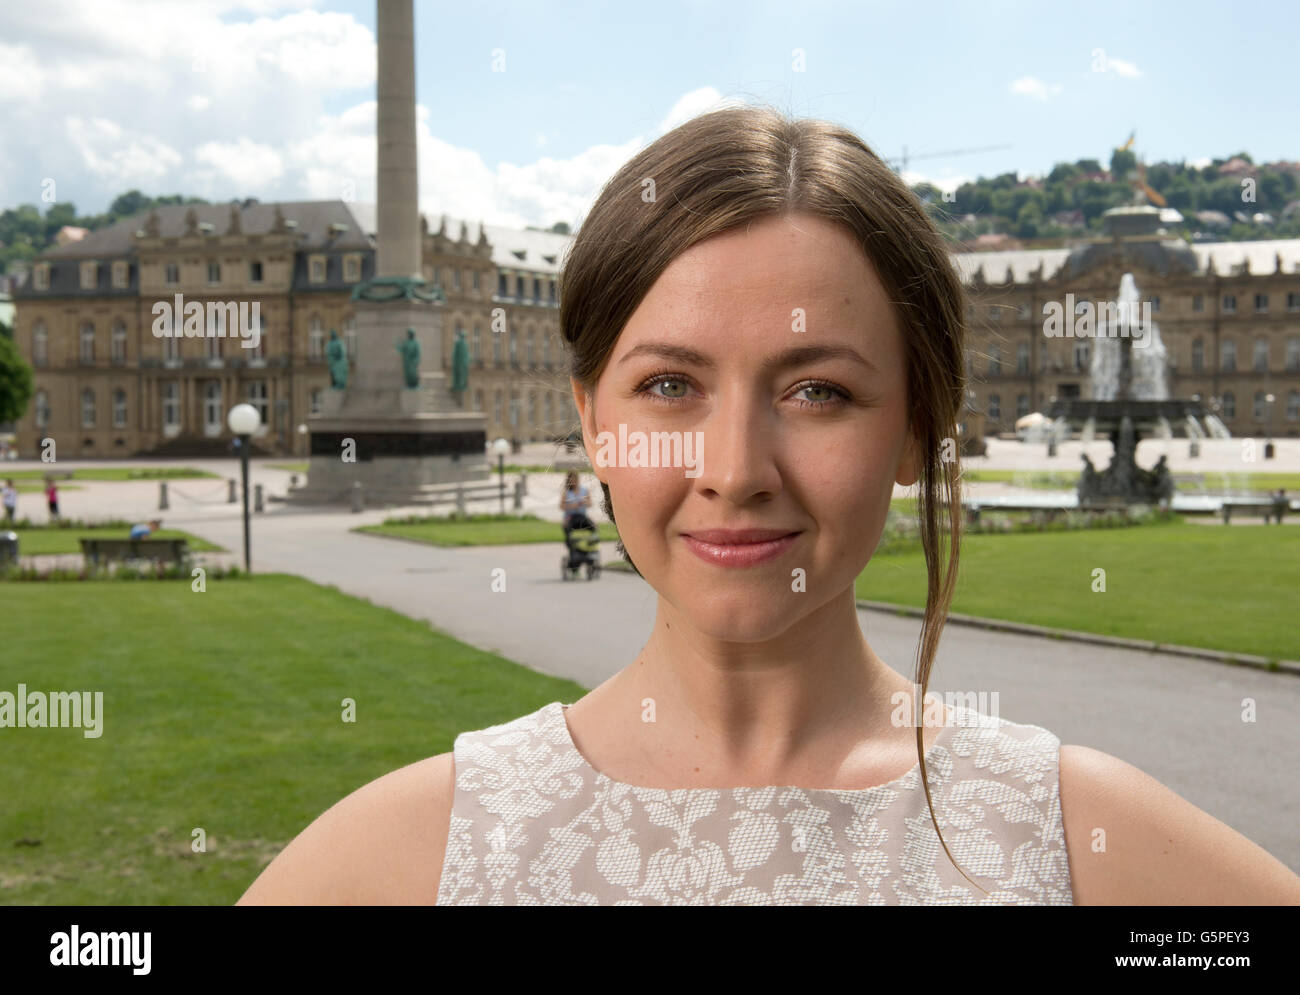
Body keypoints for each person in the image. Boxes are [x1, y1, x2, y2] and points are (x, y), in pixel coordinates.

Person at [238, 105, 1300, 907]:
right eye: (668, 385)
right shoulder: (404, 855)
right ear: (593, 421)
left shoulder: (1080, 839)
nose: (735, 466)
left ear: (916, 429)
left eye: (817, 391)